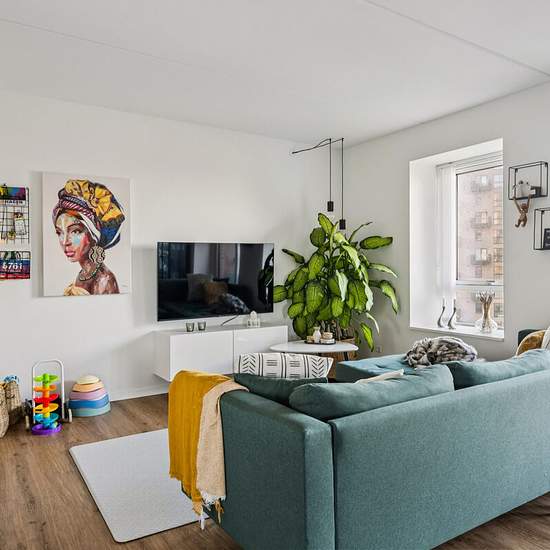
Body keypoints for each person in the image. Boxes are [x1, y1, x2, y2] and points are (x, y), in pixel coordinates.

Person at [52, 179, 125, 295]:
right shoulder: (83, 274)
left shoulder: (103, 280)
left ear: (94, 235)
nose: (65, 242)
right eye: (59, 232)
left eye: (75, 231)